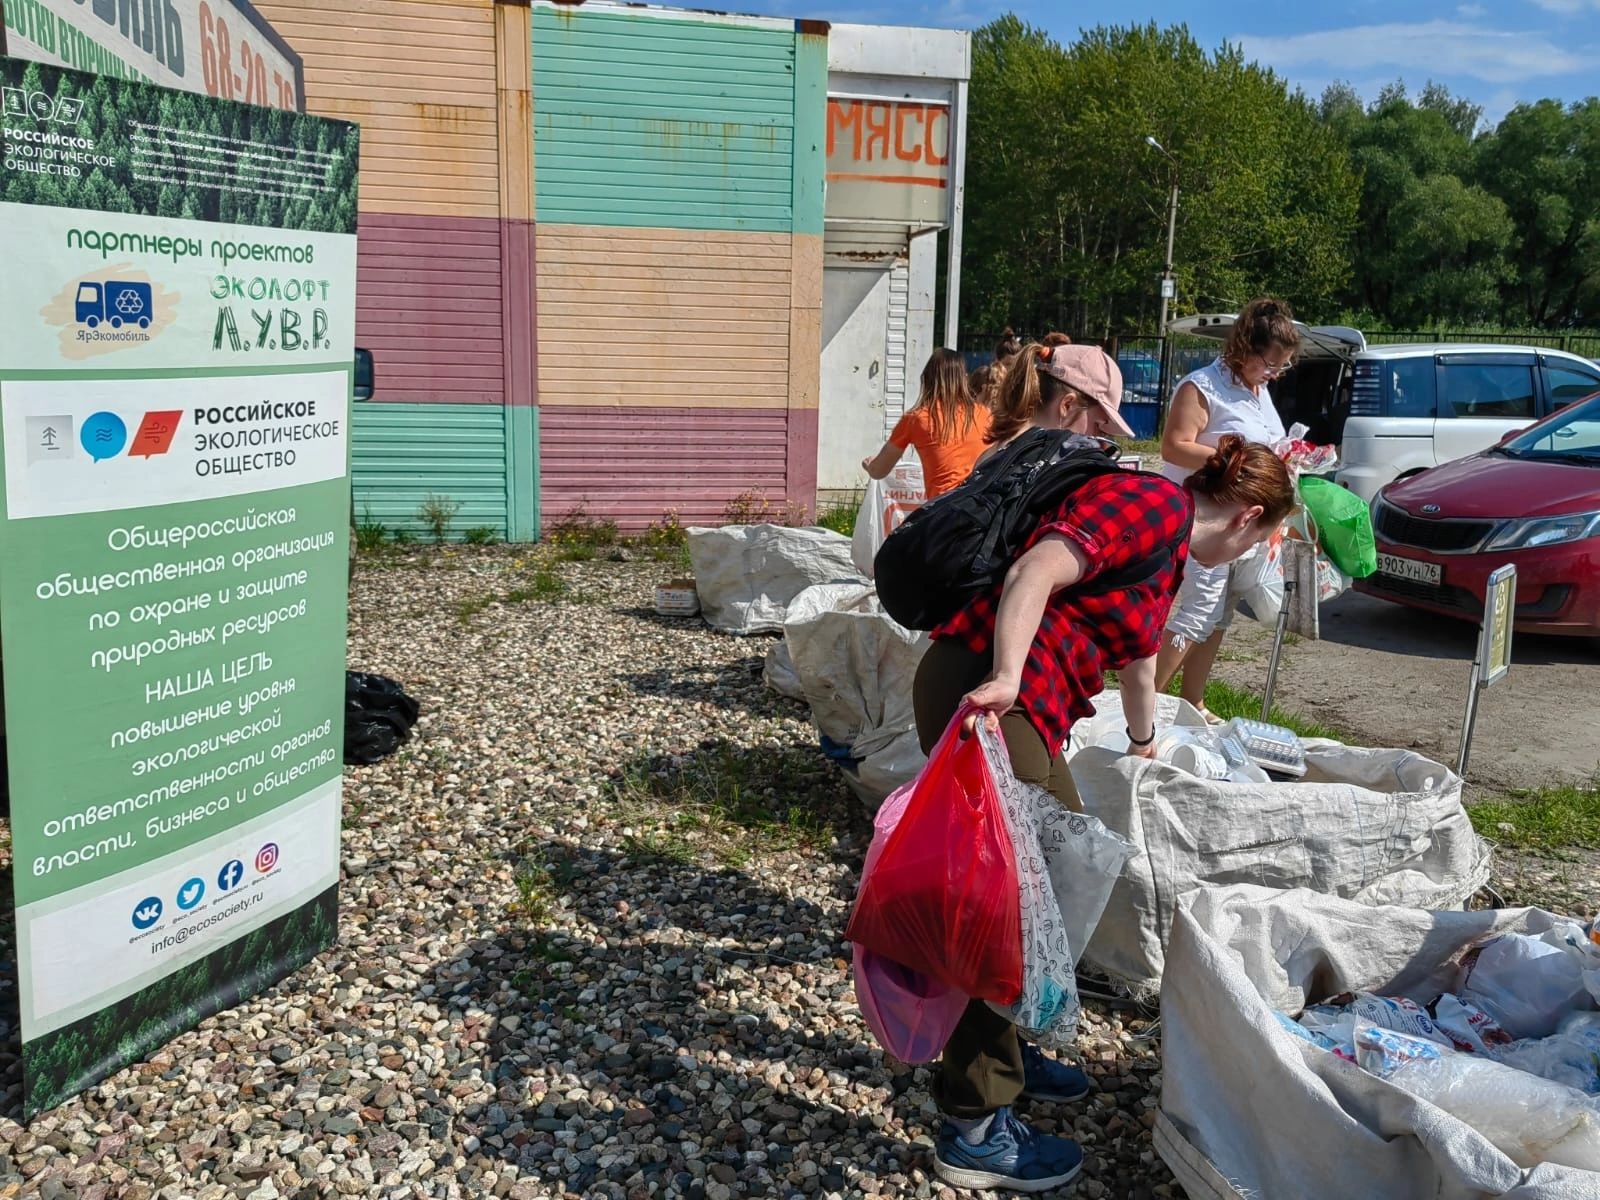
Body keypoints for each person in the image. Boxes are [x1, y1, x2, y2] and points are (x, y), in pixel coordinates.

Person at [912, 345, 1296, 1194]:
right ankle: (973, 1122)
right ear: (1244, 521)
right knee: (1008, 905)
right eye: (1264, 545)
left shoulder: (1166, 546)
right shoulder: (1154, 508)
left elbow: (1131, 651)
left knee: (1068, 866)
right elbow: (1036, 569)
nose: (1254, 560)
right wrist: (1008, 675)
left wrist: (1145, 732)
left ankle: (1010, 1047)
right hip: (986, 695)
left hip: (1020, 708)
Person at [1154, 297, 1298, 720]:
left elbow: (1265, 442)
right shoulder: (1202, 386)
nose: (1274, 374)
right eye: (1270, 364)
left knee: (1222, 613)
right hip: (1207, 518)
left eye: (1283, 367)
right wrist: (1233, 463)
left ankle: (1192, 698)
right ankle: (1149, 701)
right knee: (1200, 606)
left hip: (1247, 521)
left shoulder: (1259, 391)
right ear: (1244, 348)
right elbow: (1174, 446)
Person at [863, 349, 993, 500]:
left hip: (943, 510)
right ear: (964, 379)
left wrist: (869, 465)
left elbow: (879, 471)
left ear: (926, 379)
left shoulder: (916, 419)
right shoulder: (985, 414)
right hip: (982, 508)